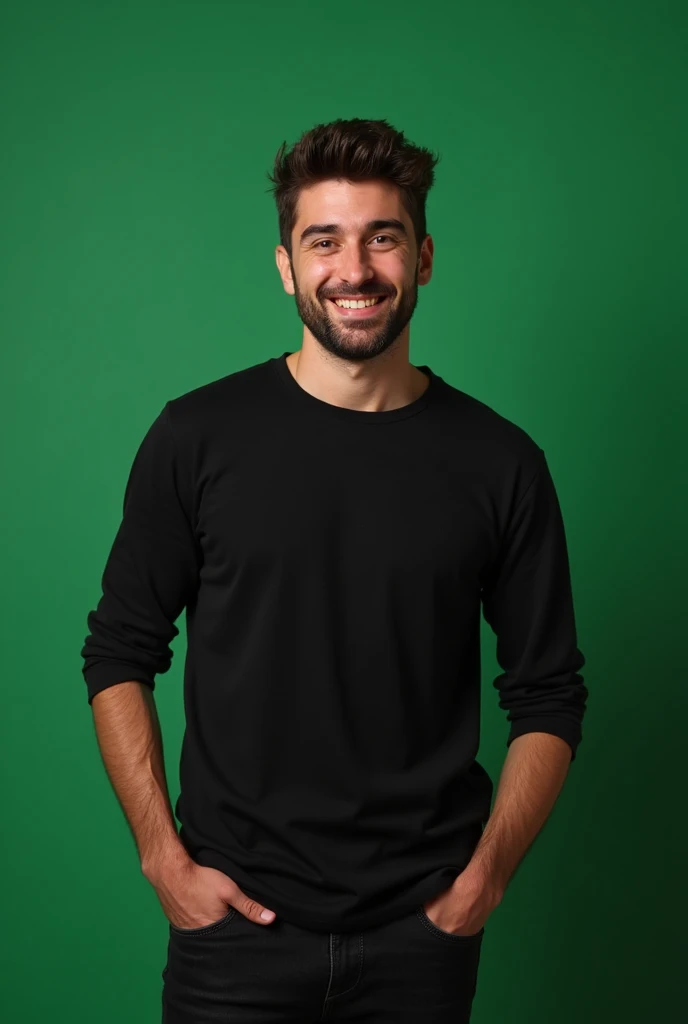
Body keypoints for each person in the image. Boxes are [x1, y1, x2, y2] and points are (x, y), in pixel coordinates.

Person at [81, 117, 588, 1023]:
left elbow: (549, 693)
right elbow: (120, 651)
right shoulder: (196, 439)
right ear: (286, 264)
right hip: (232, 932)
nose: (353, 270)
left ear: (423, 258)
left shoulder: (501, 463)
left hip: (421, 939)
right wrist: (163, 857)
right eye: (324, 241)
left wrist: (485, 880)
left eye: (381, 237)